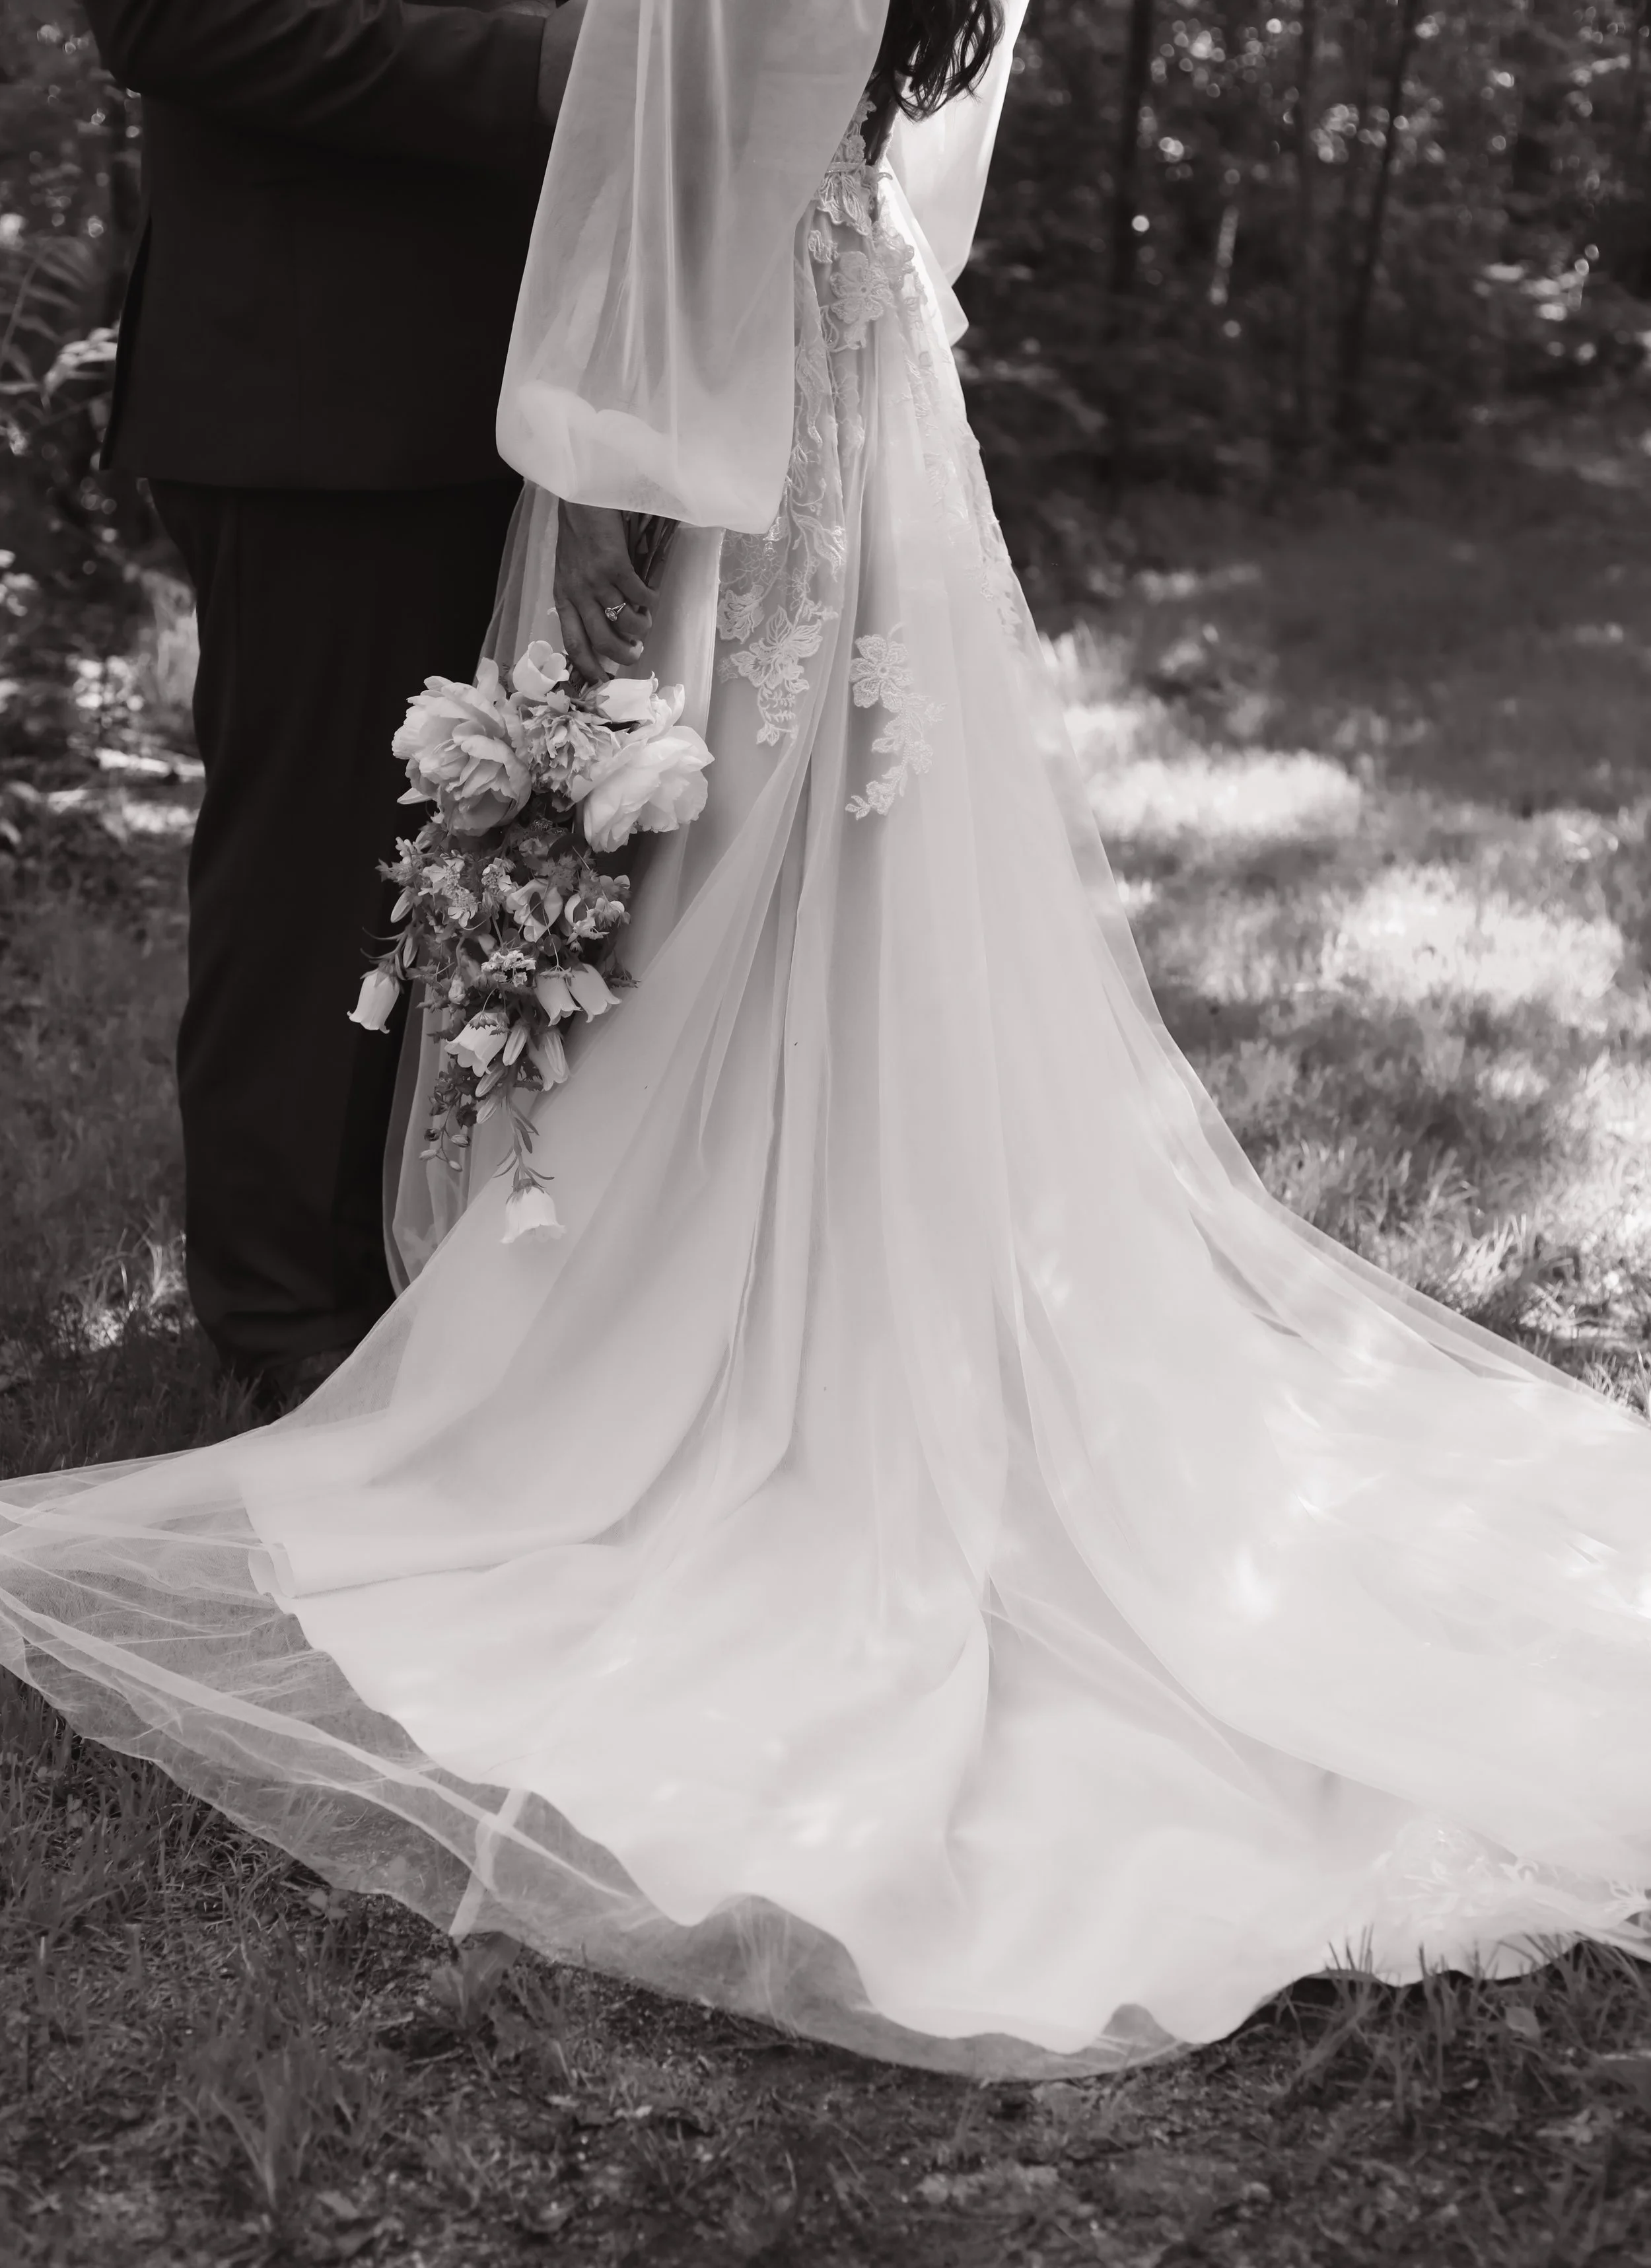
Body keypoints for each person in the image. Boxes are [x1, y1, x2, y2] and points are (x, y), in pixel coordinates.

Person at [3, 0, 1650, 2080]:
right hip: (343, 364)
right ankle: (282, 1309)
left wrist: (693, 108)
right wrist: (602, 85)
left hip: (662, 366)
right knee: (317, 858)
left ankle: (488, 1307)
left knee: (588, 864)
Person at [81, 0, 586, 1407]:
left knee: (524, 861)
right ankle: (286, 1306)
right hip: (316, 382)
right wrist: (547, 64)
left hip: (547, 382)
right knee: (320, 866)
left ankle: (444, 1251)